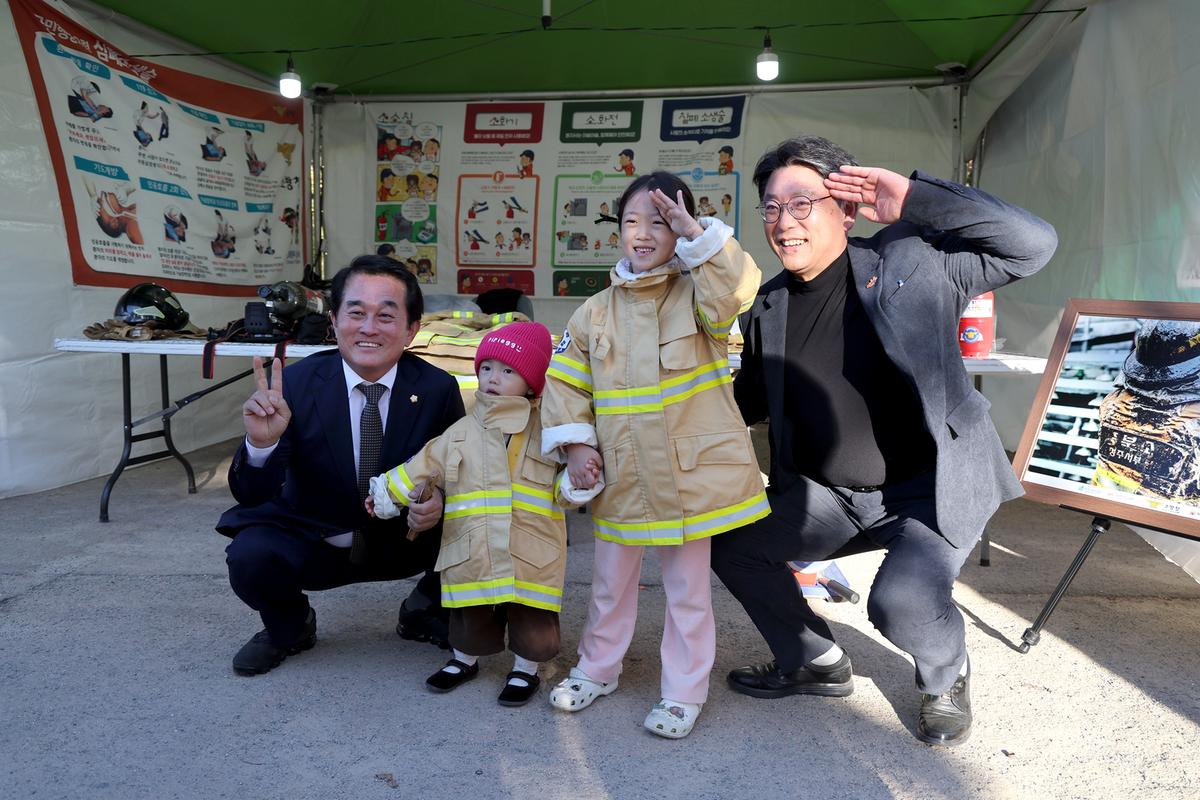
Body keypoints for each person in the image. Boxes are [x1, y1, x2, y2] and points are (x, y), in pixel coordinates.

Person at [711, 135, 1058, 746]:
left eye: (802, 203)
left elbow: (1033, 245)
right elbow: (750, 402)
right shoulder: (768, 304)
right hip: (828, 495)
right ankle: (816, 662)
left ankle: (944, 677)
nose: (783, 222)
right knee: (734, 547)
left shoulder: (913, 261)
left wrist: (917, 199)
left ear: (845, 209)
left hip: (928, 489)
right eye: (770, 206)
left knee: (897, 602)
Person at [541, 171, 768, 739]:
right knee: (609, 584)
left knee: (689, 592)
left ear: (681, 230)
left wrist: (700, 234)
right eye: (631, 221)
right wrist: (574, 447)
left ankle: (684, 690)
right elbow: (565, 387)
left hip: (687, 480)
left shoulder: (702, 299)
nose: (642, 234)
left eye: (661, 222)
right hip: (621, 474)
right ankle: (597, 669)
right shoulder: (592, 313)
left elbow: (739, 286)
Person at [216, 255, 466, 675]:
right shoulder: (294, 385)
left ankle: (425, 608)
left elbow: (460, 466)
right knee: (250, 555)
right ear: (333, 321)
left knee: (490, 523)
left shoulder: (437, 388)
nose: (369, 328)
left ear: (411, 329)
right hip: (317, 538)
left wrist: (439, 497)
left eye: (386, 316)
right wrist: (261, 444)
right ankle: (290, 626)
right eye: (356, 313)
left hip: (404, 538)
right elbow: (253, 494)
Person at [369, 322, 595, 706]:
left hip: (531, 549)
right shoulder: (459, 432)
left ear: (532, 383)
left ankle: (525, 669)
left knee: (532, 620)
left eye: (509, 371)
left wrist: (576, 485)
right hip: (471, 548)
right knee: (469, 616)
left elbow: (564, 489)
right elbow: (423, 466)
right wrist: (387, 492)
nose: (493, 378)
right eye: (487, 367)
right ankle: (464, 661)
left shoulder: (549, 434)